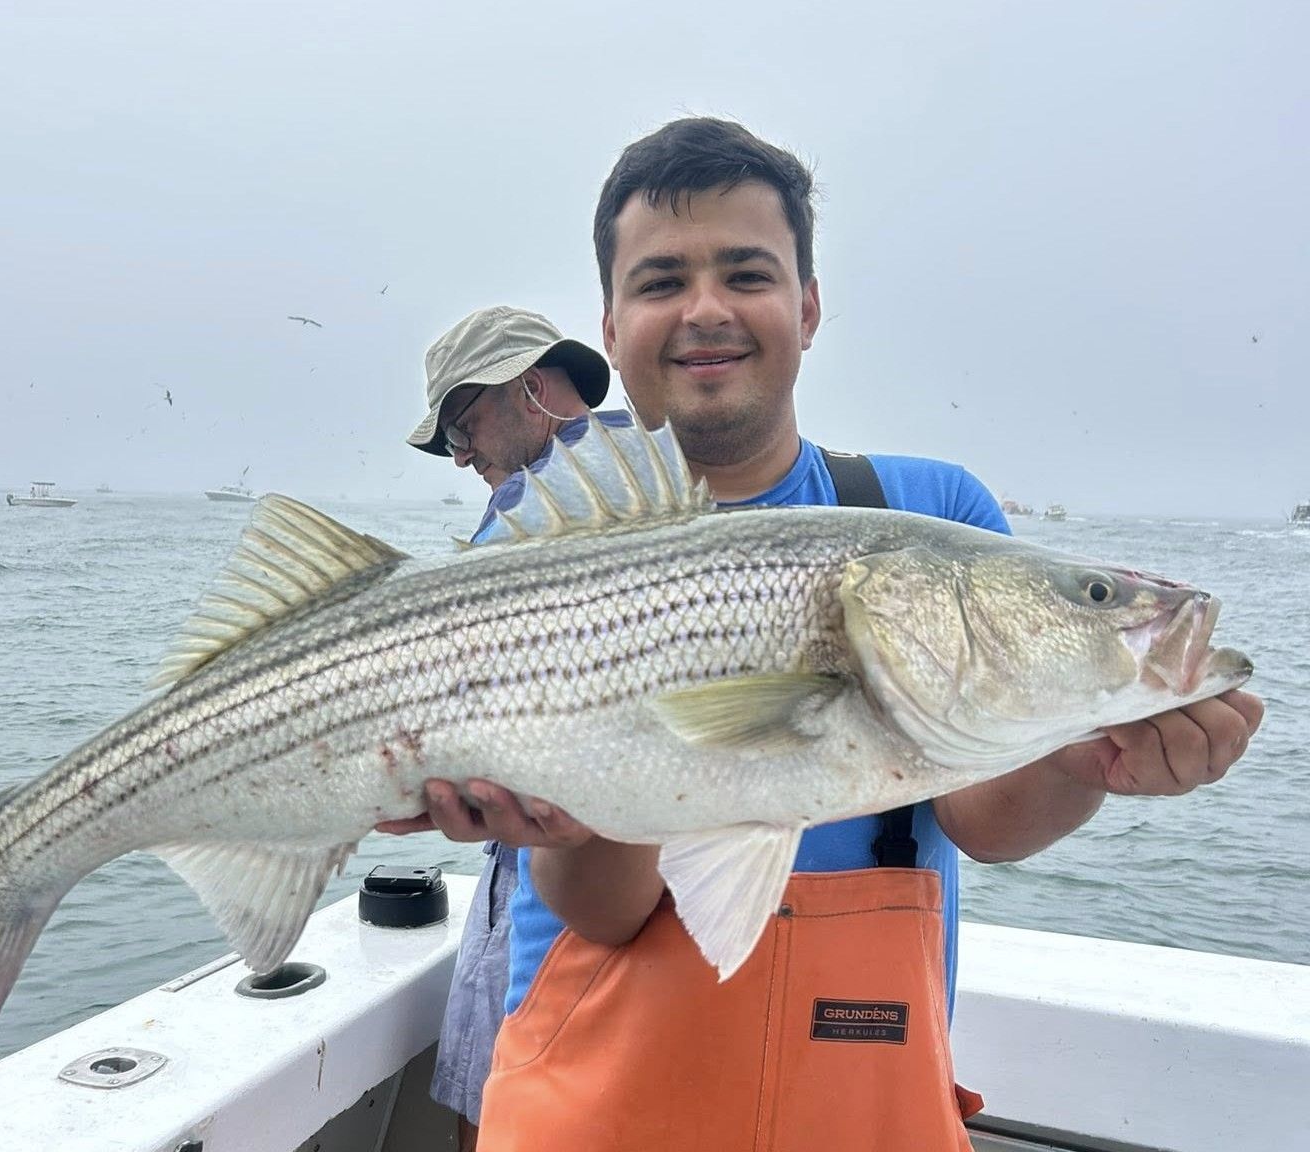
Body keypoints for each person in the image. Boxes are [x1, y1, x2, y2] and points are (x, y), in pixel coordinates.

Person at [406, 119, 1266, 1151]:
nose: (707, 308)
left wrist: (1083, 759)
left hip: (863, 1103)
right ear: (612, 322)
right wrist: (594, 782)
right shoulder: (538, 542)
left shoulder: (932, 510)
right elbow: (602, 912)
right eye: (662, 281)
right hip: (593, 1096)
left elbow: (987, 823)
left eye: (747, 273)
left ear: (808, 307)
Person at [399, 304, 617, 1152]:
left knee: (496, 1099)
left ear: (532, 386)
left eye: (461, 424)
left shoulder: (533, 502)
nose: (459, 455)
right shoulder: (652, 466)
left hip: (543, 880)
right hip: (632, 878)